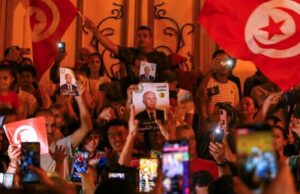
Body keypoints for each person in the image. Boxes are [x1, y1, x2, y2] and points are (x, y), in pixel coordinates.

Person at [83, 18, 169, 78]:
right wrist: (95, 30)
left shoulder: (161, 56)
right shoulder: (130, 53)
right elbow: (111, 46)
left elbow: (168, 78)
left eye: (145, 36)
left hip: (155, 93)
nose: (141, 38)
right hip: (131, 90)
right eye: (139, 36)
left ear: (151, 39)